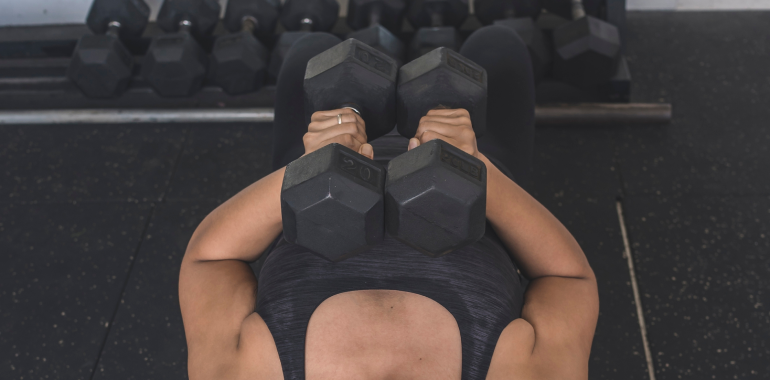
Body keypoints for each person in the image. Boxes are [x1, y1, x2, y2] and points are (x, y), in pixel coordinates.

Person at [179, 25, 598, 380]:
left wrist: (308, 168)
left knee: (311, 50)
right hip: (467, 151)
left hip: (328, 141)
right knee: (499, 46)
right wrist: (475, 167)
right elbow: (568, 279)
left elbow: (210, 261)